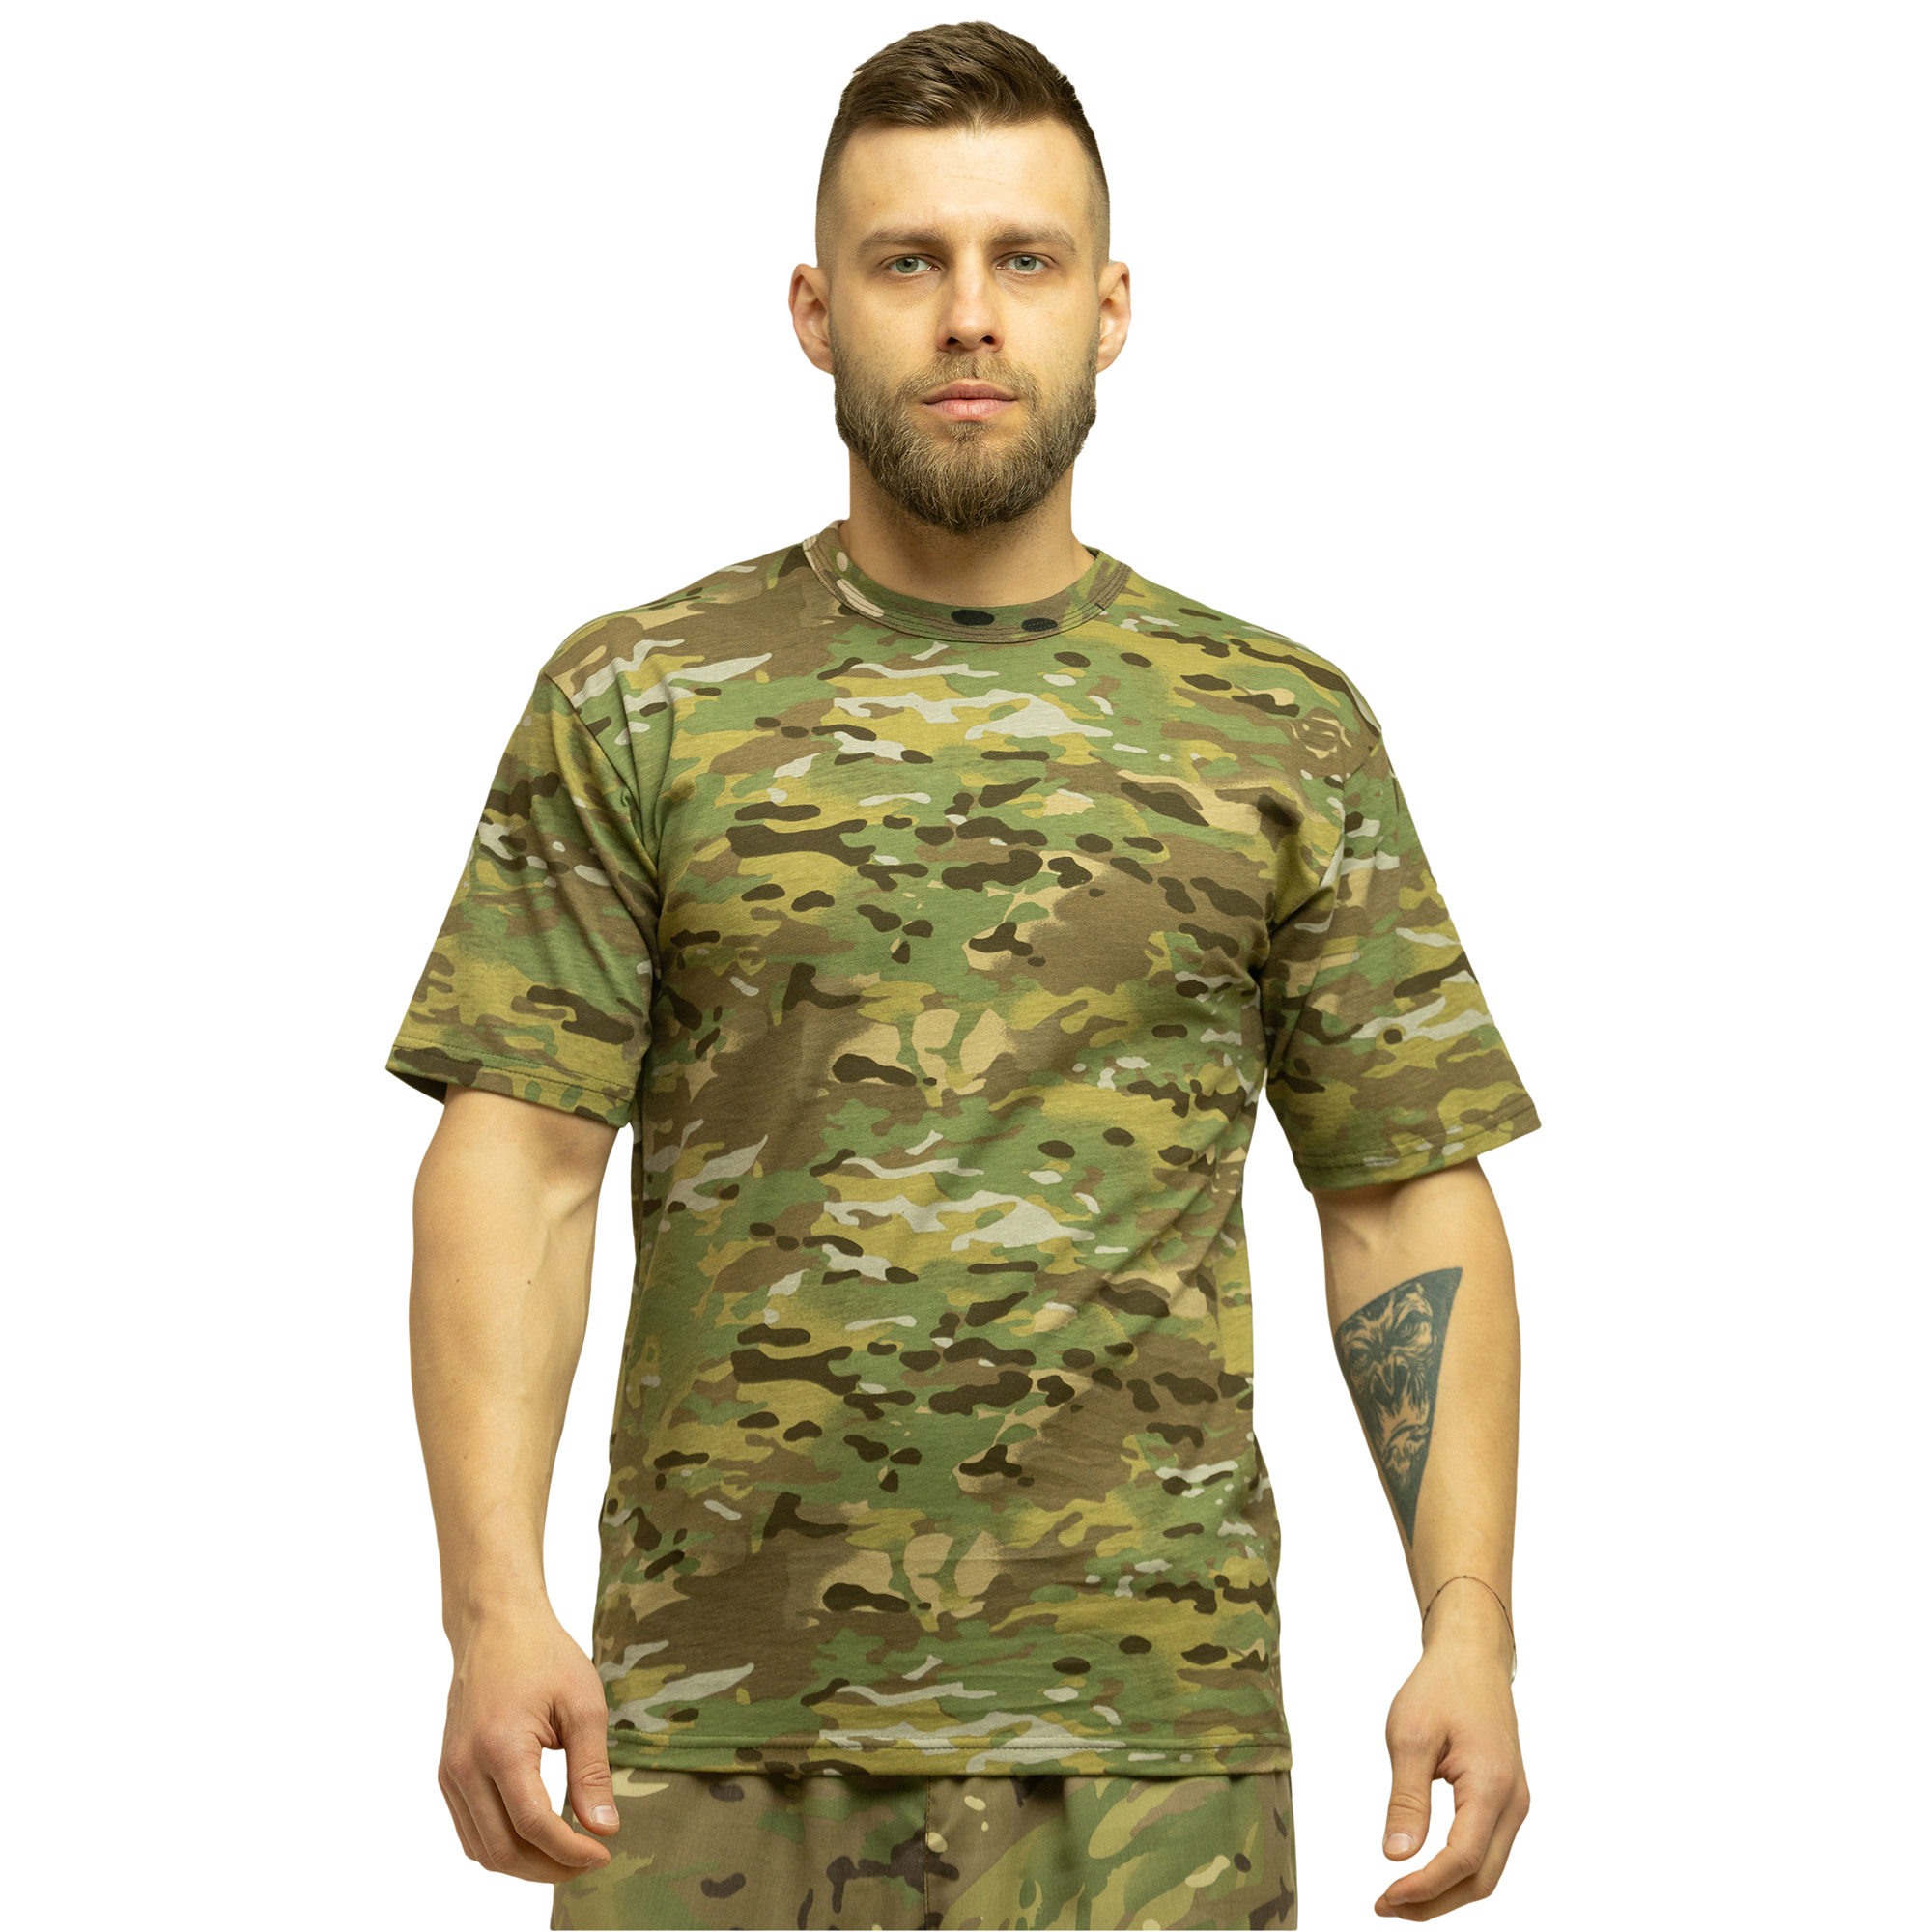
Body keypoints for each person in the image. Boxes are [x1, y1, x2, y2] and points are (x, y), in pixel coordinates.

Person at [384, 20, 1538, 1929]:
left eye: (1027, 259)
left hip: (1150, 1763)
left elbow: (1401, 1192)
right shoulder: (642, 699)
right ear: (814, 309)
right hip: (706, 1743)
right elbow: (522, 1163)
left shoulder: (1276, 725)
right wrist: (491, 1608)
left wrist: (1468, 1625)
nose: (971, 315)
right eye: (908, 260)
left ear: (1111, 305)